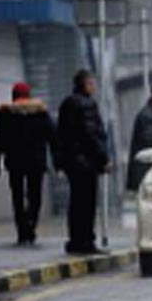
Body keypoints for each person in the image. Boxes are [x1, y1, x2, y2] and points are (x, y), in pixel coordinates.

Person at [0, 81, 58, 246]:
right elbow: (54, 139)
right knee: (35, 197)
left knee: (17, 197)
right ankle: (31, 225)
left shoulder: (5, 115)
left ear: (14, 96)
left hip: (15, 162)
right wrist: (58, 162)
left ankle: (22, 231)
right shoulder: (41, 114)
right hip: (36, 161)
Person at [55, 70, 112, 256]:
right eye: (90, 84)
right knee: (87, 204)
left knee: (76, 203)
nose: (93, 87)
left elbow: (61, 135)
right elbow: (91, 135)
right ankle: (87, 241)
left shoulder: (67, 103)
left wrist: (60, 162)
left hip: (72, 162)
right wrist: (103, 158)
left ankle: (75, 240)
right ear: (83, 85)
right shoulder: (87, 104)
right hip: (86, 162)